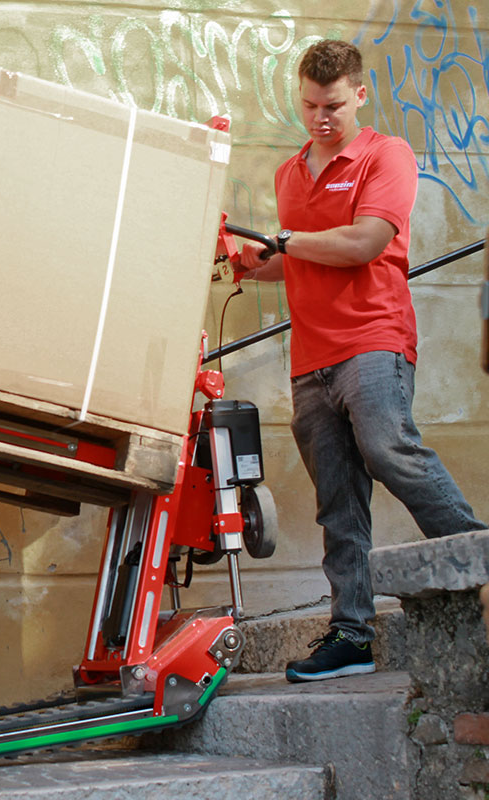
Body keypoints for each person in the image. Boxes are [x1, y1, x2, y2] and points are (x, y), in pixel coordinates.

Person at [236, 39, 485, 683]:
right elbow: (297, 260)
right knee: (338, 501)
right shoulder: (289, 174)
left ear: (361, 95)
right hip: (311, 357)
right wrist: (248, 262)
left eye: (335, 105)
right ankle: (351, 632)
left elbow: (363, 241)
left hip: (373, 339)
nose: (322, 117)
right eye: (311, 105)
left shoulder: (385, 154)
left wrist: (284, 243)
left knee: (388, 448)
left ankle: (479, 553)